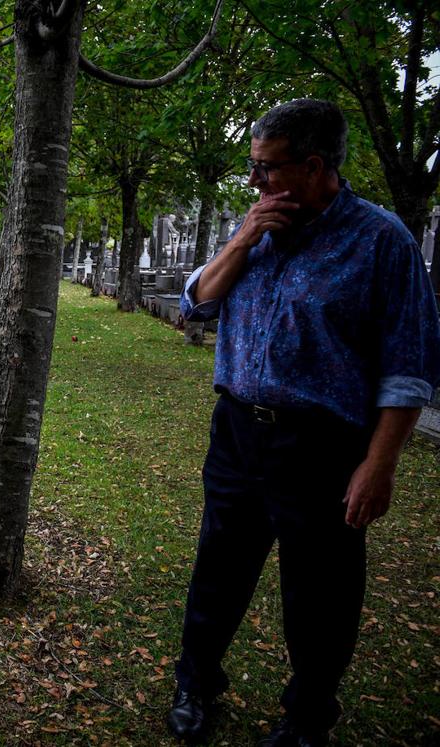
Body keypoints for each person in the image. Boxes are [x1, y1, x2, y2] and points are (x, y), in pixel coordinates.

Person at [168, 98, 440, 746]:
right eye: (252, 168)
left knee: (320, 595)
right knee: (219, 571)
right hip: (237, 433)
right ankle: (196, 682)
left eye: (267, 169)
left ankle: (307, 716)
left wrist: (380, 464)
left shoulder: (382, 243)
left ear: (314, 167)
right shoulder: (255, 231)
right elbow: (197, 303)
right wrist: (243, 236)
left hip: (322, 446)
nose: (254, 183)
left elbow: (408, 366)